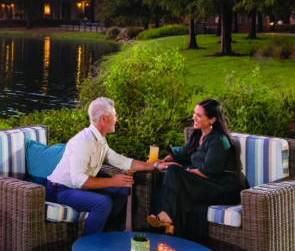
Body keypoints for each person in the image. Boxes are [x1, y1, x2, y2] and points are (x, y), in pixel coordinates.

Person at [45, 97, 156, 235]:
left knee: (122, 190)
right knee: (102, 203)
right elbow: (78, 180)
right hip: (58, 191)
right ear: (104, 119)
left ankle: (110, 235)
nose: (117, 119)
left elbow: (122, 161)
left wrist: (155, 166)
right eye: (114, 116)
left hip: (75, 189)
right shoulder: (84, 141)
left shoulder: (100, 141)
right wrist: (112, 181)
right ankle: (88, 248)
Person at [147, 98, 243, 239]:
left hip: (222, 186)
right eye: (194, 113)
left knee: (174, 172)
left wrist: (185, 173)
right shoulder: (197, 134)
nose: (194, 118)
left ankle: (168, 219)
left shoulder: (218, 140)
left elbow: (208, 172)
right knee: (163, 185)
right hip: (204, 182)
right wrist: (163, 160)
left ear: (212, 120)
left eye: (199, 115)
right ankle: (164, 233)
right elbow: (181, 154)